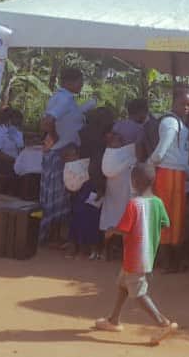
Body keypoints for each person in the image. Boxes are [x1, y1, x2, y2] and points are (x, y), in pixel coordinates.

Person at [94, 163, 178, 345]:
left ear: (134, 181)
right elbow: (165, 223)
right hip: (147, 254)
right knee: (123, 285)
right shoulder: (157, 202)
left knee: (138, 293)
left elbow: (124, 230)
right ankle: (113, 320)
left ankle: (163, 323)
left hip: (134, 256)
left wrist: (110, 231)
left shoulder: (133, 204)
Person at [150, 85, 189, 272]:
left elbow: (179, 158)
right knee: (166, 220)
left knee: (176, 220)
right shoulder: (171, 124)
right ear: (174, 103)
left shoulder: (180, 124)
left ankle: (171, 262)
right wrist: (150, 165)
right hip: (166, 176)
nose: (187, 108)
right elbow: (161, 152)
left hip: (177, 176)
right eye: (183, 104)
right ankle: (166, 263)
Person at [40, 67, 95, 243]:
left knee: (59, 196)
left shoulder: (64, 98)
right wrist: (56, 139)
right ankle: (52, 237)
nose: (82, 85)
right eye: (80, 81)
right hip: (61, 153)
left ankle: (53, 236)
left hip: (62, 151)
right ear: (69, 82)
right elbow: (48, 122)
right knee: (58, 197)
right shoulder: (64, 99)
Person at [100, 131, 137, 260]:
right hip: (116, 193)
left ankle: (116, 251)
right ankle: (107, 250)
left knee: (118, 220)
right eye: (115, 140)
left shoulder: (122, 154)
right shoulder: (112, 154)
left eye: (120, 139)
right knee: (114, 220)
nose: (118, 142)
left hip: (122, 192)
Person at [64, 145, 102, 260]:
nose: (72, 157)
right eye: (69, 155)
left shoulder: (86, 166)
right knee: (75, 221)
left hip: (89, 198)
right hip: (76, 200)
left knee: (89, 222)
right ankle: (74, 247)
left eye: (74, 154)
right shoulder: (68, 170)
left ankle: (87, 249)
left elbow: (96, 182)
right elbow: (69, 186)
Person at [0, 108, 24, 176]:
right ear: (8, 119)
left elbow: (21, 149)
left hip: (15, 163)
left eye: (19, 122)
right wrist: (15, 160)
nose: (17, 124)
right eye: (15, 121)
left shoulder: (17, 132)